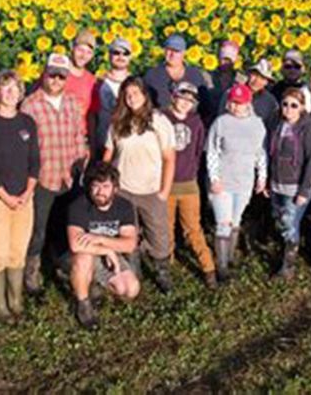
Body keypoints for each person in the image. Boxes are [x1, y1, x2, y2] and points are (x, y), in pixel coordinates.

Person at [20, 53, 89, 295]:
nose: (56, 80)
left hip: (70, 177)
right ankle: (32, 274)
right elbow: (24, 146)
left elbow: (79, 136)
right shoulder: (30, 104)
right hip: (43, 178)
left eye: (61, 76)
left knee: (65, 227)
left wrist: (81, 163)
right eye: (52, 74)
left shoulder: (72, 102)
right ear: (44, 74)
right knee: (37, 229)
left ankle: (63, 270)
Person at [103, 76, 176, 292]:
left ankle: (162, 273)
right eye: (127, 95)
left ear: (144, 95)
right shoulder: (117, 123)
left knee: (159, 236)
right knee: (128, 234)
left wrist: (164, 191)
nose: (132, 98)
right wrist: (103, 181)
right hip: (123, 190)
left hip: (151, 190)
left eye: (135, 93)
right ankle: (135, 272)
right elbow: (108, 154)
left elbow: (170, 158)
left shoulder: (158, 121)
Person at [0, 71, 38, 321]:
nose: (11, 93)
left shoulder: (27, 123)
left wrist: (28, 190)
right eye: (5, 88)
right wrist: (5, 196)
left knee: (18, 251)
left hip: (25, 198)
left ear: (21, 93)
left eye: (15, 88)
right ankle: (1, 307)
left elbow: (35, 161)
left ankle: (17, 302)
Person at [67, 162, 140, 329]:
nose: (100, 192)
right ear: (89, 187)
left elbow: (129, 244)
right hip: (82, 255)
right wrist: (107, 250)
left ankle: (92, 284)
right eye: (95, 186)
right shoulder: (78, 206)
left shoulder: (124, 206)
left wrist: (98, 238)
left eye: (106, 186)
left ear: (115, 188)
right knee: (84, 258)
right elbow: (75, 244)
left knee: (130, 289)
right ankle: (83, 304)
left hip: (106, 253)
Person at [206, 83, 267, 282]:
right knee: (223, 223)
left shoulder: (257, 124)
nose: (234, 106)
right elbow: (212, 153)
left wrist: (262, 177)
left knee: (235, 221)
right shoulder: (221, 122)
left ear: (248, 103)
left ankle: (230, 258)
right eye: (232, 102)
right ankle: (221, 267)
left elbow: (261, 153)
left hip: (244, 181)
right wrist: (214, 178)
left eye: (239, 103)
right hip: (223, 182)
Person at [163, 82, 216, 289]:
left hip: (188, 184)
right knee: (166, 228)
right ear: (173, 97)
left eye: (190, 100)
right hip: (166, 183)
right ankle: (166, 266)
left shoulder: (196, 123)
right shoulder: (162, 119)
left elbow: (197, 152)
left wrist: (192, 172)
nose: (184, 103)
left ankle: (208, 268)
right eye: (181, 98)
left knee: (193, 228)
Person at [266, 88, 311, 279]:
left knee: (290, 224)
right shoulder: (277, 124)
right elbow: (269, 154)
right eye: (285, 104)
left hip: (296, 186)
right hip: (276, 183)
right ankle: (284, 254)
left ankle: (287, 267)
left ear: (302, 108)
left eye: (294, 105)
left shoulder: (308, 129)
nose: (288, 109)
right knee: (280, 221)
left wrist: (304, 190)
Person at [143, 34, 212, 119]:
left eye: (176, 51)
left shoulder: (195, 75)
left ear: (183, 53)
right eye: (169, 50)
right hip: (160, 124)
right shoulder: (152, 75)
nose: (172, 54)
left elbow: (206, 106)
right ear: (164, 51)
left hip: (190, 125)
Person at [90, 38, 132, 158]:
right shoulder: (98, 82)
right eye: (116, 52)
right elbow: (92, 114)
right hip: (101, 143)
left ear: (130, 57)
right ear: (109, 56)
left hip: (127, 145)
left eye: (125, 53)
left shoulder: (136, 83)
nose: (120, 56)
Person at [209, 40, 242, 110]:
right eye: (224, 59)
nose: (226, 63)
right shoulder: (208, 76)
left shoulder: (241, 79)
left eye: (229, 60)